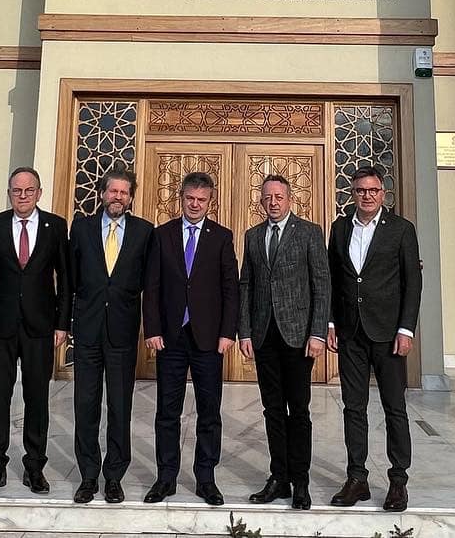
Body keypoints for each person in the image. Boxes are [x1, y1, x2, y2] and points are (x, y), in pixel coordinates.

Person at [0, 166, 70, 497]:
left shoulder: (55, 226)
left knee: (37, 398)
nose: (23, 196)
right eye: (16, 191)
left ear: (39, 193)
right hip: (0, 328)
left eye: (29, 190)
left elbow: (66, 280)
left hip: (40, 327)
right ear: (9, 193)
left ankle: (34, 467)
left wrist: (62, 324)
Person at [326, 165, 422, 512]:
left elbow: (413, 283)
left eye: (373, 190)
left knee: (394, 407)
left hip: (388, 334)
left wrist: (406, 329)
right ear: (352, 194)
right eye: (360, 190)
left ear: (383, 194)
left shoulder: (401, 229)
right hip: (350, 333)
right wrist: (331, 322)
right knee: (354, 407)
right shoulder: (340, 228)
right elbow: (332, 279)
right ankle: (357, 478)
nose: (367, 196)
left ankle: (398, 481)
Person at [141, 171, 238, 506]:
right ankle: (165, 477)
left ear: (210, 202)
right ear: (181, 198)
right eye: (190, 198)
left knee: (209, 412)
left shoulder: (222, 237)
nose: (195, 205)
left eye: (201, 200)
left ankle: (206, 479)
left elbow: (230, 289)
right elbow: (151, 286)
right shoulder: (162, 234)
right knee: (167, 411)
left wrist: (227, 332)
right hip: (170, 337)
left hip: (209, 339)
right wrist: (152, 329)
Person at [238, 173, 330, 511]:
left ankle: (300, 481)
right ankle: (279, 477)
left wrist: (317, 333)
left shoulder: (309, 232)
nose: (273, 202)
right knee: (272, 409)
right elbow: (246, 285)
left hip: (298, 337)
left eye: (278, 196)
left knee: (299, 411)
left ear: (290, 199)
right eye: (267, 197)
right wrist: (245, 332)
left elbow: (322, 283)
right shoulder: (252, 236)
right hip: (264, 336)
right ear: (260, 201)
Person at [67, 164, 153, 504]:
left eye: (124, 192)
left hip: (122, 331)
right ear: (102, 193)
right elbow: (70, 280)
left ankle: (114, 475)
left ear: (131, 198)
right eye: (113, 190)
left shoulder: (145, 232)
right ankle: (88, 475)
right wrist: (65, 323)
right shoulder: (82, 228)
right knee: (85, 404)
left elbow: (150, 283)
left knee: (119, 406)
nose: (118, 197)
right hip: (87, 330)